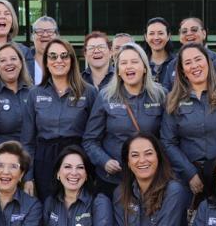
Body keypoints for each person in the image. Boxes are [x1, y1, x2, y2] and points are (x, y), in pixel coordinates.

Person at [161, 42, 216, 194]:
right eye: (188, 63)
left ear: (208, 61)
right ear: (182, 70)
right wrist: (190, 174)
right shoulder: (173, 99)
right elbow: (168, 141)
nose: (194, 65)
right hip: (187, 176)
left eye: (198, 59)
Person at [84, 43, 166, 193]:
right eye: (123, 63)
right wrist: (105, 161)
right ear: (118, 71)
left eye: (134, 62)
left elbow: (168, 139)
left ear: (145, 67)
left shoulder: (161, 95)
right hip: (113, 181)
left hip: (150, 179)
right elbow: (90, 140)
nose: (129, 66)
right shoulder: (105, 97)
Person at [29, 39, 97, 197]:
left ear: (72, 60)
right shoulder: (34, 94)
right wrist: (28, 177)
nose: (58, 60)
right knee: (47, 209)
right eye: (52, 56)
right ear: (46, 62)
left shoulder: (89, 92)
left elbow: (96, 135)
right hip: (44, 160)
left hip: (77, 160)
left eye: (64, 56)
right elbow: (28, 141)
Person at [0, 42, 36, 192]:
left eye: (13, 59)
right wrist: (14, 154)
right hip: (2, 165)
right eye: (2, 60)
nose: (9, 63)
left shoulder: (34, 93)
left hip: (33, 164)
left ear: (21, 63)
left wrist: (29, 172)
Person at [163, 17, 216, 88]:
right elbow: (167, 93)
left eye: (194, 30)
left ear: (204, 33)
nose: (189, 34)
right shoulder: (172, 64)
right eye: (184, 31)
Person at [143, 17, 175, 88]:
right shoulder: (141, 63)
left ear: (168, 36)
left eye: (160, 33)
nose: (156, 37)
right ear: (146, 37)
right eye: (151, 33)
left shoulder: (176, 62)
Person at [28, 16, 59, 84]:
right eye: (39, 31)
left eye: (50, 31)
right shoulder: (23, 61)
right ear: (32, 36)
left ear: (56, 36)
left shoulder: (65, 61)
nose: (45, 35)